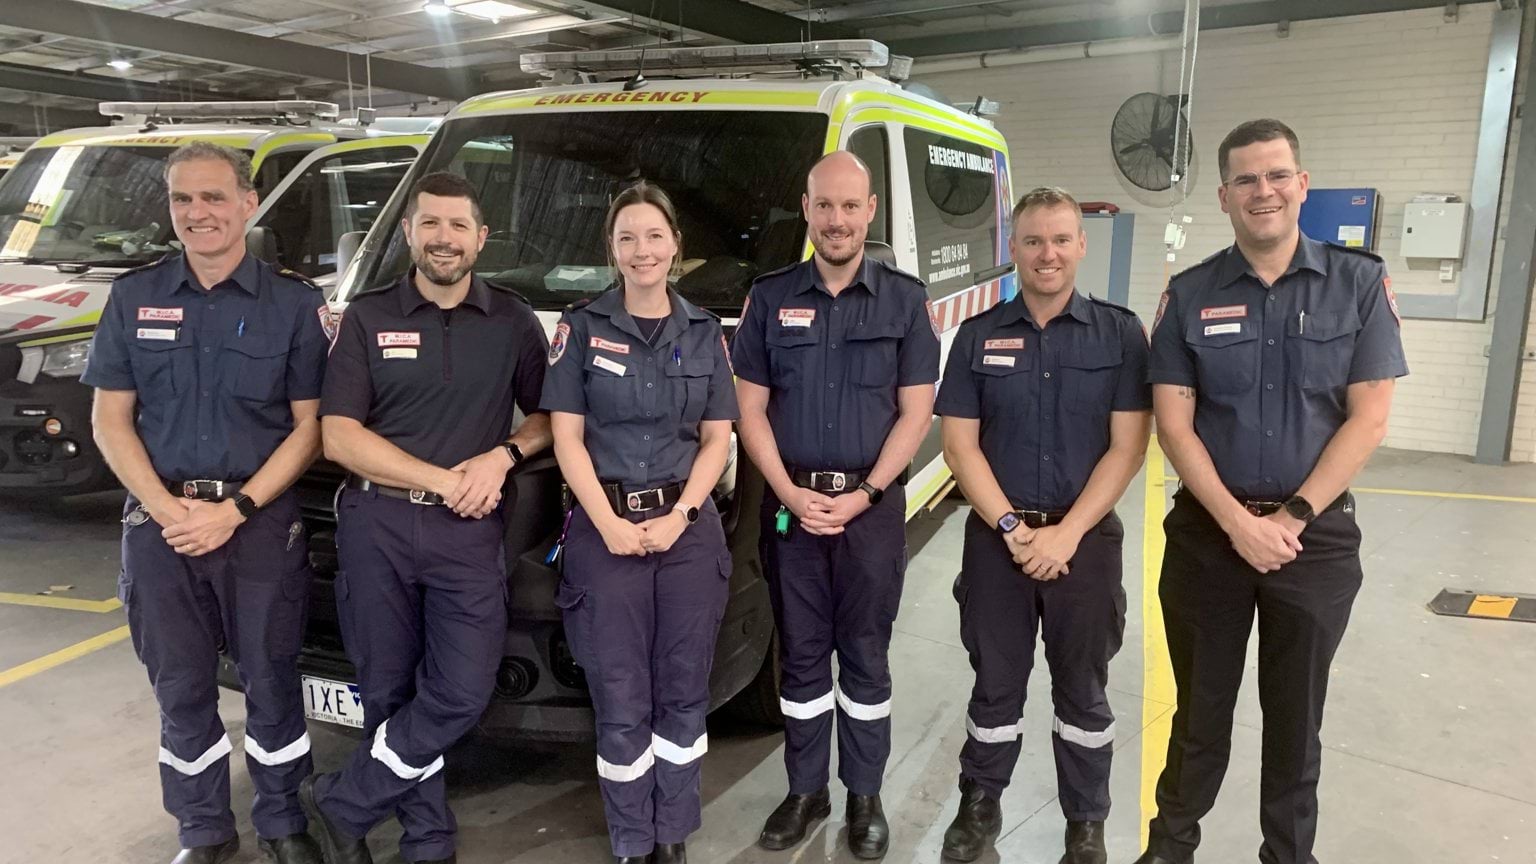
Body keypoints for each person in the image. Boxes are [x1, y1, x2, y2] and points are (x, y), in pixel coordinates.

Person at [1136, 119, 1408, 864]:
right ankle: (1170, 849)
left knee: (1296, 721)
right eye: (1247, 179)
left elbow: (1369, 417)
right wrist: (1235, 522)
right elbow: (1175, 426)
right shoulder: (1189, 294)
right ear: (1224, 195)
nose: (1264, 191)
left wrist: (1288, 517)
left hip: (1312, 541)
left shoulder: (1357, 285)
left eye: (1277, 174)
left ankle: (1289, 855)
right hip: (1207, 542)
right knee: (1199, 717)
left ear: (1302, 183)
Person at [84, 142, 328, 864]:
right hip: (163, 528)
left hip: (255, 525)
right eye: (183, 200)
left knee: (272, 681)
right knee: (181, 687)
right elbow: (109, 420)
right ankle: (203, 829)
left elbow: (310, 427)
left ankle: (284, 823)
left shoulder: (294, 302)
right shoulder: (135, 296)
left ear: (248, 205)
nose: (198, 214)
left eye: (214, 198)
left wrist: (238, 510)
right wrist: (163, 508)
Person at [301, 172, 552, 864]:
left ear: (481, 238)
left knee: (463, 689)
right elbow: (339, 437)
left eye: (458, 226)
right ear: (409, 231)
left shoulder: (512, 321)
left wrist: (502, 456)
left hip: (467, 534)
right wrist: (443, 479)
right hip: (377, 524)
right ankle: (427, 836)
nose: (444, 238)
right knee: (386, 686)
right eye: (430, 224)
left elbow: (549, 420)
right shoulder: (368, 317)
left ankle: (342, 802)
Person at [732, 150, 940, 860]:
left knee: (866, 657)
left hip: (869, 513)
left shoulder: (905, 301)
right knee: (800, 658)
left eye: (851, 207)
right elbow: (749, 409)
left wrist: (866, 494)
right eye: (825, 206)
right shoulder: (769, 297)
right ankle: (804, 790)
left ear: (871, 210)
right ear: (808, 208)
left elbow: (916, 414)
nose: (838, 220)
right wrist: (789, 492)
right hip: (792, 508)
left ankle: (864, 795)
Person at [935, 187, 1152, 864]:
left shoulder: (1120, 334)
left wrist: (1066, 535)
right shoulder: (978, 335)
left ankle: (1086, 823)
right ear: (1014, 248)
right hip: (998, 543)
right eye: (1033, 241)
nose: (1047, 253)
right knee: (995, 684)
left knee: (1083, 689)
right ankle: (979, 804)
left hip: (1084, 545)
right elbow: (960, 446)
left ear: (1081, 245)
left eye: (1060, 239)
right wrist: (1009, 527)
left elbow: (1129, 446)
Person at [541, 180, 739, 864]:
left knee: (685, 690)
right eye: (627, 237)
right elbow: (566, 438)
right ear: (611, 250)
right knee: (620, 695)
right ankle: (632, 839)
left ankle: (671, 832)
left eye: (654, 235)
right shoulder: (583, 328)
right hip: (606, 531)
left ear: (676, 247)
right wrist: (610, 523)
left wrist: (684, 513)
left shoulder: (704, 331)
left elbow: (718, 438)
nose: (641, 250)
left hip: (686, 533)